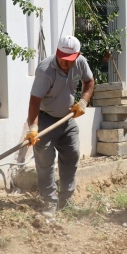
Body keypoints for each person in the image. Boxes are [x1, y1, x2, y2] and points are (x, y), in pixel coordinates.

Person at [25, 36, 95, 218]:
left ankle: (66, 201)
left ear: (77, 56)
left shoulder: (80, 63)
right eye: (62, 58)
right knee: (45, 161)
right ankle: (49, 202)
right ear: (57, 52)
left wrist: (83, 101)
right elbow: (34, 101)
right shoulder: (45, 70)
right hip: (46, 119)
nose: (65, 63)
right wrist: (33, 127)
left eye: (69, 60)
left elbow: (89, 82)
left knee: (72, 156)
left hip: (68, 120)